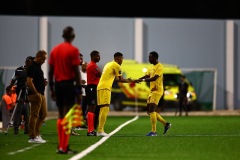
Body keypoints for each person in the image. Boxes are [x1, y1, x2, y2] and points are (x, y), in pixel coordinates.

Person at [48, 26, 82, 154]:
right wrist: (79, 90)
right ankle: (63, 147)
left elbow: (51, 71)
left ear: (63, 36)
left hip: (58, 84)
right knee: (67, 115)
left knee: (60, 114)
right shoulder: (73, 50)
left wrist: (51, 88)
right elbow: (76, 71)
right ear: (73, 37)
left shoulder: (55, 50)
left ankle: (61, 146)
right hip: (68, 84)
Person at [96, 52, 135, 136]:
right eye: (122, 59)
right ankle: (100, 130)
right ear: (118, 58)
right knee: (105, 108)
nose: (122, 60)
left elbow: (116, 79)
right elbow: (121, 79)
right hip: (105, 87)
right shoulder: (117, 65)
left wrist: (128, 79)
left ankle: (99, 129)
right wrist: (132, 80)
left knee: (102, 108)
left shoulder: (108, 64)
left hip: (100, 87)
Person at [136, 51, 171, 136]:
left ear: (155, 58)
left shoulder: (159, 67)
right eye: (149, 57)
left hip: (157, 91)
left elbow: (154, 78)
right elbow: (147, 75)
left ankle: (153, 132)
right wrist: (138, 79)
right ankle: (166, 124)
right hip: (152, 91)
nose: (149, 59)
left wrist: (143, 80)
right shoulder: (151, 67)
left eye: (150, 57)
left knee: (152, 110)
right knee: (149, 111)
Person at [7, 56, 34, 134]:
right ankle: (16, 128)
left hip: (29, 92)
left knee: (28, 110)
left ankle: (27, 129)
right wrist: (10, 85)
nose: (31, 64)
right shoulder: (18, 70)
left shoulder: (32, 70)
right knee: (18, 110)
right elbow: (13, 79)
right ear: (26, 62)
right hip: (20, 92)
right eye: (30, 63)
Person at [26, 50, 48, 143]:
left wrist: (43, 83)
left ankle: (37, 134)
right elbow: (29, 81)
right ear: (38, 57)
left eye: (45, 59)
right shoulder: (32, 67)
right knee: (34, 115)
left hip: (41, 94)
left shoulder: (38, 67)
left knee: (43, 115)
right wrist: (35, 93)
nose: (44, 61)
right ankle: (32, 137)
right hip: (35, 95)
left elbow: (35, 80)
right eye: (43, 59)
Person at [86, 50, 101, 136]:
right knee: (91, 108)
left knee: (93, 108)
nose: (99, 57)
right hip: (92, 87)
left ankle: (91, 129)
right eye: (97, 56)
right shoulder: (92, 66)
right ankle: (90, 130)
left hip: (92, 87)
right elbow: (100, 75)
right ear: (93, 56)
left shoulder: (93, 65)